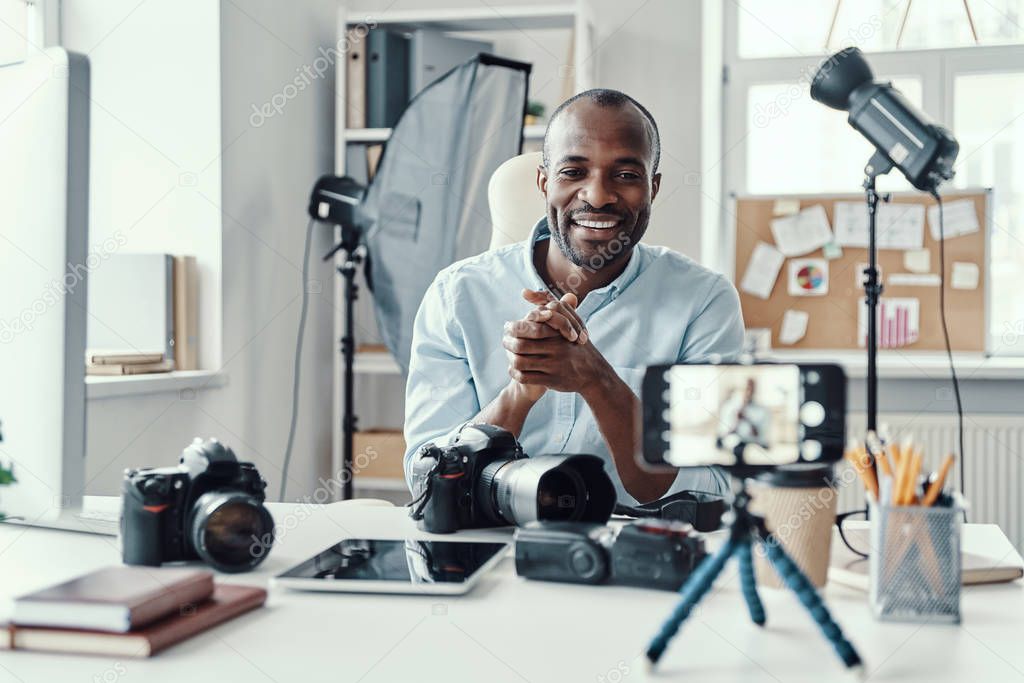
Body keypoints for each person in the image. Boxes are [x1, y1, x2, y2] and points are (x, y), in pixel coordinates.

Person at [403, 88, 744, 505]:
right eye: (573, 172)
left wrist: (597, 380)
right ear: (545, 183)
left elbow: (709, 488)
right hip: (488, 548)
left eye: (625, 175)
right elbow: (428, 485)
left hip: (640, 553)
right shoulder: (457, 295)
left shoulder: (703, 301)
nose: (598, 196)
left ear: (652, 188)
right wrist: (521, 390)